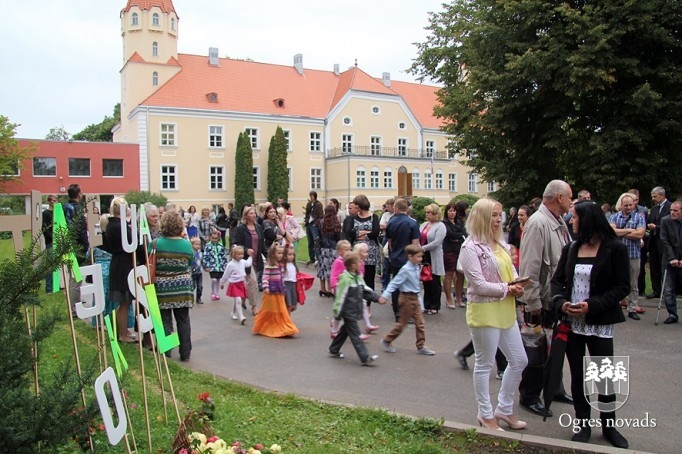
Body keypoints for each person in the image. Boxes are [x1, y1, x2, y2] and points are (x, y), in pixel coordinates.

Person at [550, 200, 630, 448]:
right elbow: (557, 281)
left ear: (587, 220)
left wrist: (592, 305)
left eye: (574, 217)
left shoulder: (614, 249)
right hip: (573, 323)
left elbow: (622, 287)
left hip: (600, 322)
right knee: (578, 376)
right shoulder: (572, 248)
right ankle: (582, 424)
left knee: (604, 376)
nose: (571, 221)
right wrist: (561, 303)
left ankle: (609, 427)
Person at [457, 197, 529, 431]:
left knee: (519, 360)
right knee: (484, 364)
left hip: (505, 309)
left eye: (500, 215)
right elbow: (477, 284)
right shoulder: (470, 247)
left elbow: (511, 271)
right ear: (482, 218)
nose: (498, 220)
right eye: (494, 215)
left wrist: (517, 284)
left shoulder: (501, 243)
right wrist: (508, 289)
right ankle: (485, 414)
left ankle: (504, 409)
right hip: (485, 311)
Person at [518, 180, 574, 417]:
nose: (571, 202)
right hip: (542, 300)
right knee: (537, 349)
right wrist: (532, 303)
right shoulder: (538, 223)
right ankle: (529, 395)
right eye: (569, 197)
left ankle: (554, 387)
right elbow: (529, 268)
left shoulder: (558, 221)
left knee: (556, 347)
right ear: (559, 197)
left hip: (556, 298)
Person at [378, 244, 436, 356]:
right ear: (410, 257)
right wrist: (385, 296)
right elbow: (394, 283)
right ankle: (387, 340)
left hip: (414, 298)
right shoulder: (405, 270)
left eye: (421, 257)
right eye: (418, 257)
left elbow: (416, 286)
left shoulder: (416, 267)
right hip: (406, 299)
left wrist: (420, 303)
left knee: (420, 323)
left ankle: (421, 346)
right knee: (402, 324)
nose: (420, 259)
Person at [154, 211, 194, 361]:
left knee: (165, 320)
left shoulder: (156, 244)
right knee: (183, 319)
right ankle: (185, 353)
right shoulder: (186, 244)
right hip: (182, 286)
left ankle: (167, 353)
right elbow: (190, 262)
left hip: (162, 287)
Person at [329, 252, 380, 365]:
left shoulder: (357, 277)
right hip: (348, 312)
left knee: (345, 331)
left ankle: (334, 349)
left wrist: (377, 298)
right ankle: (365, 357)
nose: (361, 263)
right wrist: (337, 313)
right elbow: (340, 297)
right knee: (356, 335)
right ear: (353, 265)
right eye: (359, 262)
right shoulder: (345, 279)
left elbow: (365, 290)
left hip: (354, 310)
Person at [103, 197, 137, 344]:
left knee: (126, 302)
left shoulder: (113, 225)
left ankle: (124, 331)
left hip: (121, 263)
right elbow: (130, 242)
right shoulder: (118, 226)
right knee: (123, 302)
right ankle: (122, 334)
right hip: (122, 264)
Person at [609, 193, 646, 319]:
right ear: (622, 205)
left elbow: (640, 234)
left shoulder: (639, 217)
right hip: (617, 255)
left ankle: (632, 308)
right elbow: (611, 232)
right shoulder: (614, 217)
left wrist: (621, 232)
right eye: (626, 205)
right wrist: (630, 231)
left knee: (633, 283)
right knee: (615, 281)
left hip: (633, 254)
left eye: (631, 205)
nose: (629, 207)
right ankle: (617, 305)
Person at [252, 243, 299, 337]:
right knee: (269, 310)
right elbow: (265, 276)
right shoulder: (269, 265)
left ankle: (284, 326)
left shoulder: (280, 265)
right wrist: (266, 287)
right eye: (279, 253)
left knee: (281, 310)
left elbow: (281, 278)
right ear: (273, 254)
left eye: (282, 253)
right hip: (271, 291)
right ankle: (265, 325)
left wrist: (284, 289)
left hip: (279, 291)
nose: (281, 255)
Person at [385, 198, 420, 321]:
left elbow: (390, 243)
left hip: (395, 257)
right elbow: (415, 243)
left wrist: (393, 253)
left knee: (396, 284)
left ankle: (397, 312)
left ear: (397, 208)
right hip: (408, 258)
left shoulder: (391, 222)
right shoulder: (412, 223)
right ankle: (408, 312)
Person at [232, 206, 265, 315]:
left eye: (254, 213)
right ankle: (254, 307)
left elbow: (262, 244)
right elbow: (235, 243)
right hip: (245, 261)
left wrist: (269, 256)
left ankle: (243, 298)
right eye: (251, 213)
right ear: (246, 216)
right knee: (253, 282)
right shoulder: (240, 229)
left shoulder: (258, 227)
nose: (254, 215)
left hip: (257, 259)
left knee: (248, 283)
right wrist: (246, 250)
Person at [63, 183, 89, 317]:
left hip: (67, 246)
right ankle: (74, 309)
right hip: (77, 247)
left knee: (73, 277)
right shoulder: (78, 209)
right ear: (79, 194)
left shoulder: (64, 208)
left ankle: (75, 302)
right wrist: (86, 246)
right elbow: (81, 230)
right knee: (76, 279)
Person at [348, 195, 381, 291]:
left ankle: (368, 303)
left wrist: (363, 235)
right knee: (357, 277)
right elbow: (350, 232)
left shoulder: (373, 217)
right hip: (357, 253)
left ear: (359, 205)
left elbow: (376, 232)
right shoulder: (353, 218)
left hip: (370, 253)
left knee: (369, 278)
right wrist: (364, 233)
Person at [420, 203, 446, 314]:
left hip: (434, 256)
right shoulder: (424, 224)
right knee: (426, 280)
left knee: (434, 281)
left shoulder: (440, 226)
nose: (427, 215)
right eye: (426, 212)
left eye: (429, 213)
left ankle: (435, 305)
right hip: (424, 256)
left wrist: (423, 248)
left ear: (435, 214)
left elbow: (436, 242)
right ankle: (426, 304)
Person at [659, 199, 682, 324]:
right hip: (669, 260)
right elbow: (664, 240)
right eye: (671, 210)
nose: (672, 212)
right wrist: (672, 258)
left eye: (676, 210)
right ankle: (672, 314)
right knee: (668, 289)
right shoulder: (665, 221)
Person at [443, 201, 468, 308]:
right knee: (449, 274)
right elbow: (449, 234)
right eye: (450, 211)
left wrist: (457, 237)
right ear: (446, 212)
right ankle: (449, 298)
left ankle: (459, 297)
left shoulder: (460, 222)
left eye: (454, 211)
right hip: (449, 250)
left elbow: (464, 234)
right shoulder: (444, 223)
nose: (452, 213)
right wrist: (458, 236)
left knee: (460, 274)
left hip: (460, 250)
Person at [646, 186, 670, 299]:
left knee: (664, 267)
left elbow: (670, 225)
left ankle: (667, 291)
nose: (653, 199)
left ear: (662, 195)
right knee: (654, 267)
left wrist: (657, 227)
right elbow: (650, 220)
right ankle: (656, 290)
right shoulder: (654, 208)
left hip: (664, 242)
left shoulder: (670, 207)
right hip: (653, 242)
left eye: (655, 196)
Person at [220, 245, 253, 325]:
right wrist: (222, 282)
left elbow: (248, 264)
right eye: (239, 254)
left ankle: (233, 313)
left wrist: (250, 256)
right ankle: (241, 316)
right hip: (234, 284)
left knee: (237, 300)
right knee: (238, 300)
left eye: (242, 254)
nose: (241, 256)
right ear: (234, 254)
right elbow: (226, 274)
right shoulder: (230, 264)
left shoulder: (242, 262)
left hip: (241, 283)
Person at [317, 204, 342, 297]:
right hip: (334, 249)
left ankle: (322, 288)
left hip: (323, 249)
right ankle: (330, 288)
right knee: (332, 269)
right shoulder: (336, 223)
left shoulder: (321, 222)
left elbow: (319, 236)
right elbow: (338, 238)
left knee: (323, 269)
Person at [202, 230, 228, 301]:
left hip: (220, 266)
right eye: (213, 238)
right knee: (213, 279)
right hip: (212, 266)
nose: (214, 240)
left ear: (218, 238)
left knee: (218, 279)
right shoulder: (208, 246)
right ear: (210, 238)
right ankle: (213, 292)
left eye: (216, 238)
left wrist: (225, 264)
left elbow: (224, 256)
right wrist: (205, 266)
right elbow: (205, 256)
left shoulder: (220, 246)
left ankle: (217, 293)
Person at [507, 205, 533, 270]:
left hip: (529, 256)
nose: (519, 217)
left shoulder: (532, 228)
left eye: (522, 215)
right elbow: (510, 243)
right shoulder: (514, 227)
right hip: (517, 256)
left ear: (528, 216)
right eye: (518, 215)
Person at [42, 194, 57, 293]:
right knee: (50, 264)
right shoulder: (46, 213)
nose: (55, 202)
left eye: (56, 200)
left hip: (58, 240)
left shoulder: (58, 213)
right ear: (49, 201)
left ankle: (56, 285)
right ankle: (48, 288)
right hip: (50, 242)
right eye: (53, 200)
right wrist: (53, 236)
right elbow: (44, 228)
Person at [303, 191, 324, 264]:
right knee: (310, 242)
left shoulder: (318, 204)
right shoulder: (309, 204)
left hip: (314, 225)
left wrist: (316, 223)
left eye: (312, 196)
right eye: (310, 196)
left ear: (315, 196)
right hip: (309, 224)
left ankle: (318, 258)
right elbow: (307, 213)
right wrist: (306, 220)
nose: (311, 197)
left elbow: (321, 216)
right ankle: (311, 257)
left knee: (316, 242)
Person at [282, 244, 299, 313]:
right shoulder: (283, 265)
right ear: (285, 256)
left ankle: (285, 315)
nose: (292, 256)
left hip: (293, 285)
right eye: (289, 254)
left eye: (293, 255)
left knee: (294, 305)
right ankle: (287, 320)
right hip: (286, 285)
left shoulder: (293, 264)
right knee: (288, 305)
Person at [190, 237, 204, 305]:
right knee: (192, 286)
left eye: (199, 244)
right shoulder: (191, 253)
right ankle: (190, 299)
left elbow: (202, 261)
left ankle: (198, 298)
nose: (198, 246)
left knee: (200, 286)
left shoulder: (200, 253)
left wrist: (205, 267)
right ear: (192, 245)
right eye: (196, 244)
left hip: (199, 272)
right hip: (192, 273)